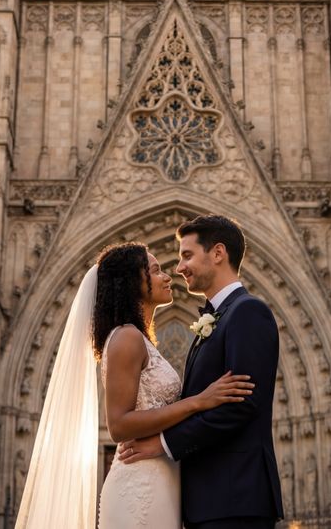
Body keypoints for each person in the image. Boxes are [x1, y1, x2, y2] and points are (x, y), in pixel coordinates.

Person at [15, 241, 253, 528]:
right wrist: (198, 401)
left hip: (159, 478)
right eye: (154, 271)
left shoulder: (137, 338)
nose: (167, 276)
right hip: (139, 484)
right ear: (132, 283)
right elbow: (118, 425)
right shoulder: (126, 337)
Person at [119, 215, 284, 528]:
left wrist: (163, 444)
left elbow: (241, 405)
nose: (179, 268)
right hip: (208, 501)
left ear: (218, 253)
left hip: (235, 497)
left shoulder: (248, 312)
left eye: (187, 255)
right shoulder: (218, 318)